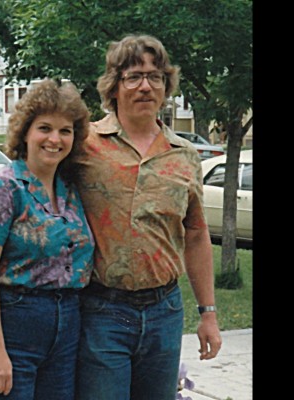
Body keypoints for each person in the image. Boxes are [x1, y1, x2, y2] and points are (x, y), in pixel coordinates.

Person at [75, 34, 222, 400]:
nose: (145, 86)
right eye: (134, 76)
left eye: (155, 77)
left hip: (164, 313)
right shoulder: (84, 145)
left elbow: (196, 234)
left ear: (166, 86)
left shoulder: (185, 155)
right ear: (114, 86)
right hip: (102, 311)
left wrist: (208, 314)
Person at [0, 79, 94, 400]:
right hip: (10, 326)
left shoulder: (71, 191)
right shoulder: (2, 188)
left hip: (64, 331)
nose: (55, 139)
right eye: (44, 128)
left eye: (65, 130)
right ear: (25, 132)